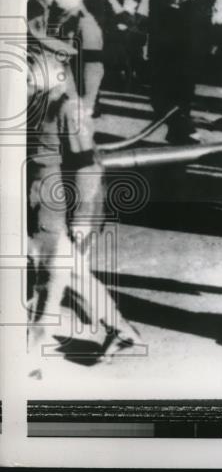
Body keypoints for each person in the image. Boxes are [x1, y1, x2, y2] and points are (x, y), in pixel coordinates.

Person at [25, 30, 141, 367]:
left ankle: (32, 353)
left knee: (52, 275)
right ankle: (120, 330)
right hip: (36, 201)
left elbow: (87, 169)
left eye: (35, 63)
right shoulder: (35, 100)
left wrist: (81, 221)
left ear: (58, 65)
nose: (28, 69)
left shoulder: (68, 109)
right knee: (69, 271)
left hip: (53, 208)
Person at [148, 0, 209, 143]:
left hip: (182, 56)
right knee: (162, 98)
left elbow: (194, 32)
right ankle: (179, 131)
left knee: (177, 97)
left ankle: (184, 132)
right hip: (167, 54)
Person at [49, 0, 105, 114]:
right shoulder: (63, 18)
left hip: (74, 100)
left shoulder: (85, 24)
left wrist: (87, 103)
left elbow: (94, 67)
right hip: (62, 93)